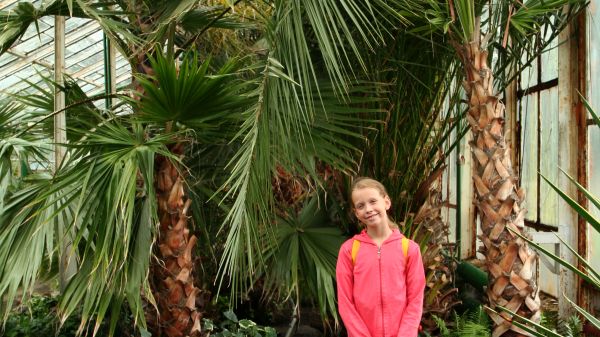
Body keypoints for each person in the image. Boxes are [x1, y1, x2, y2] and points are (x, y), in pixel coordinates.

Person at [336, 177, 426, 337]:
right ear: (356, 213)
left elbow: (415, 300)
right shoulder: (349, 250)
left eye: (373, 201)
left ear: (386, 202)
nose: (368, 209)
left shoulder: (409, 249)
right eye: (361, 206)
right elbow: (345, 302)